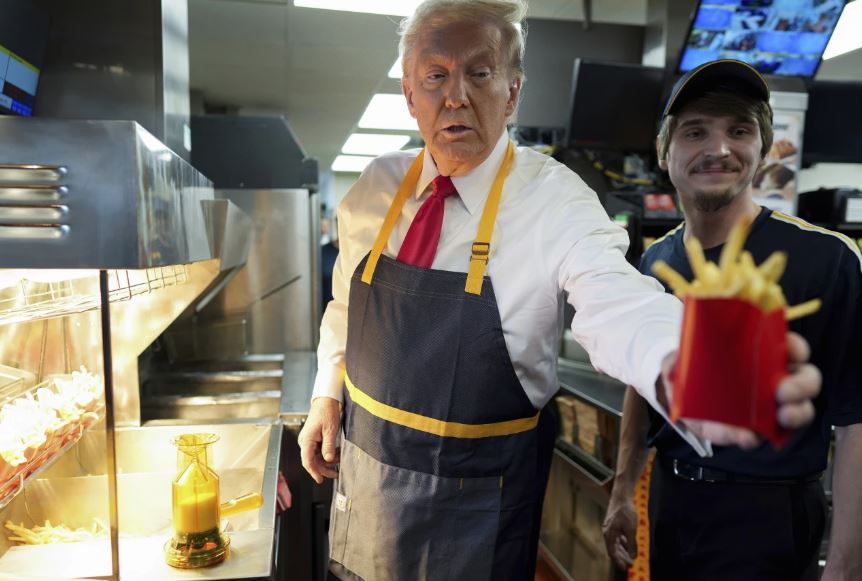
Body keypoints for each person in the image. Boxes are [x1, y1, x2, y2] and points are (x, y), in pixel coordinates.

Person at [298, 4, 821, 578]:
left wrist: (686, 359)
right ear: (409, 94)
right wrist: (327, 390)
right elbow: (346, 307)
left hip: (476, 515)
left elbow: (617, 300)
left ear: (513, 91)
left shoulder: (555, 201)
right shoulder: (375, 188)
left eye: (480, 73)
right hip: (365, 486)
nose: (456, 97)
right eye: (436, 76)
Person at [602, 59, 862, 581]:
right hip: (673, 502)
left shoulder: (826, 259)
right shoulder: (656, 262)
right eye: (696, 131)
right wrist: (623, 489)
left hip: (770, 516)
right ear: (664, 151)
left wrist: (845, 566)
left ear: (763, 149)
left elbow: (857, 422)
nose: (718, 149)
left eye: (739, 130)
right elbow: (642, 385)